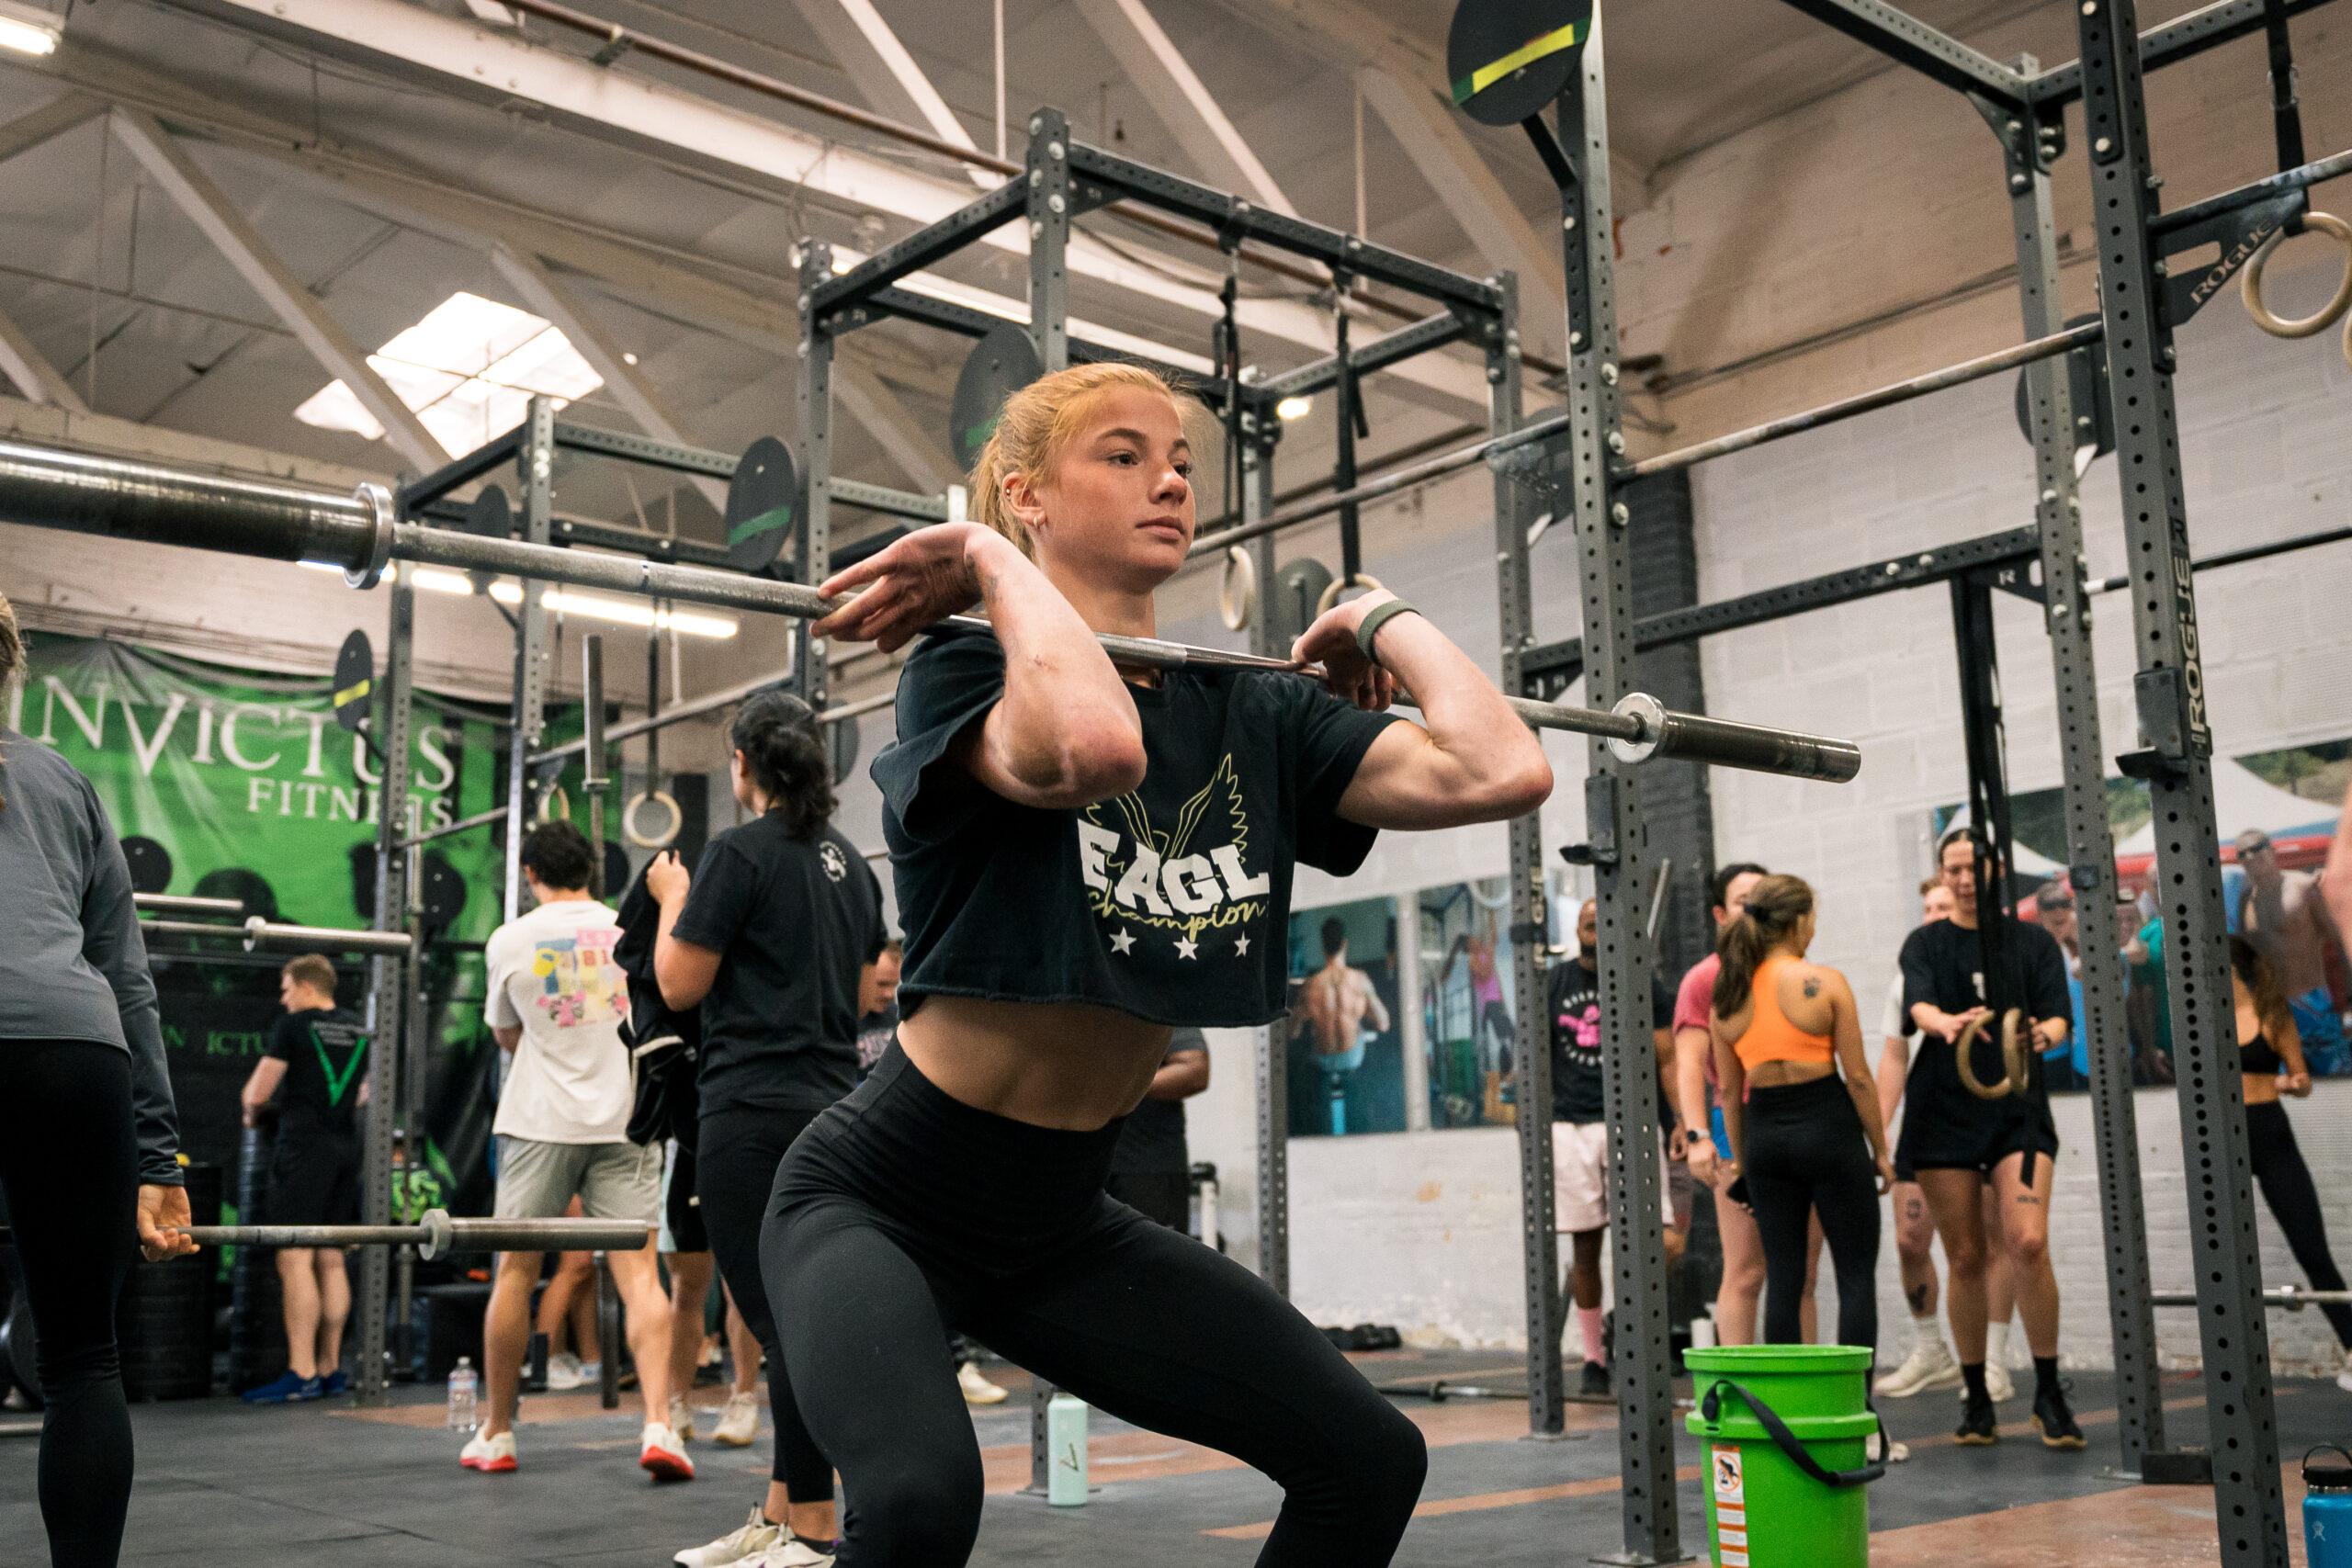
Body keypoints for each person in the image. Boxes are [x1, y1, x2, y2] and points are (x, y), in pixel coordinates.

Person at [761, 359, 1550, 1565]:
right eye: (1123, 455)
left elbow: (1503, 768)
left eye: (1179, 459)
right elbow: (1096, 747)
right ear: (1027, 494)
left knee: (1368, 1458)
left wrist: (1378, 616)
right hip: (876, 1196)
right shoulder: (963, 669)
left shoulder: (1253, 709)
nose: (1172, 480)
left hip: (1060, 1221)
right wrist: (990, 566)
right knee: (920, 1500)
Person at [650, 690, 886, 1568]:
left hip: (750, 1110)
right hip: (834, 1110)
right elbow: (863, 992)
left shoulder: (734, 853)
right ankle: (784, 1514)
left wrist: (672, 898)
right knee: (795, 1315)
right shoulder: (852, 864)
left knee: (784, 1324)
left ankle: (815, 1529)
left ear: (743, 763)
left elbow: (678, 984)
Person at [0, 587, 198, 1568]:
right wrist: (158, 1157)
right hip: (76, 1058)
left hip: (63, 1051)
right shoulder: (64, 780)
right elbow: (127, 977)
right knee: (82, 1358)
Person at [468, 820, 685, 1481]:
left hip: (540, 1122)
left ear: (531, 874)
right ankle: (661, 1425)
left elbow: (506, 1036)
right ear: (591, 869)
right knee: (641, 1276)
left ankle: (497, 1432)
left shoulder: (510, 939)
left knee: (515, 1273)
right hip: (626, 1119)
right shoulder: (629, 928)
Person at [1898, 828, 2081, 1450]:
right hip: (1944, 1112)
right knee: (1966, 1256)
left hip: (2016, 1112)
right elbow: (1918, 1007)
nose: (1963, 879)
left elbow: (2059, 1017)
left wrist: (2042, 1034)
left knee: (2027, 1240)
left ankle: (2049, 1391)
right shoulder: (1925, 943)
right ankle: (1976, 1394)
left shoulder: (2031, 942)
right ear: (1942, 874)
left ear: (1995, 868)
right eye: (1952, 869)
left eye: (1972, 867)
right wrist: (1944, 1022)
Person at [1711, 874, 1892, 1359]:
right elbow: (1858, 1078)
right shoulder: (1825, 982)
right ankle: (1856, 1403)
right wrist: (1881, 1150)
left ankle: (1786, 1402)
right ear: (1798, 923)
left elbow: (1728, 1092)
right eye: (1812, 918)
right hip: (1829, 1128)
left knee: (1784, 1278)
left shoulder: (1727, 998)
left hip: (1766, 1137)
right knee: (1855, 1276)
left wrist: (1743, 1163)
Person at [1675, 863, 1822, 1346]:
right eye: (1744, 902)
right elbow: (1689, 1063)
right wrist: (1698, 1136)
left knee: (1801, 1273)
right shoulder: (1705, 978)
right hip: (1737, 1125)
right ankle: (1737, 1385)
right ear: (1721, 914)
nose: (1756, 910)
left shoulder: (1795, 972)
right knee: (1747, 1270)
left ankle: (1803, 1386)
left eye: (1764, 899)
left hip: (1800, 1120)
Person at [1545, 897, 1675, 1397]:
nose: (1592, 921)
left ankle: (1626, 1325)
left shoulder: (1641, 981)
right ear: (1578, 928)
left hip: (1633, 1125)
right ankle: (1594, 1360)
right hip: (1571, 1127)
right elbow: (1534, 1058)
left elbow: (1666, 1060)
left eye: (1601, 916)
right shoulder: (1554, 983)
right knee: (1585, 1248)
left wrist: (1680, 1123)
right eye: (1586, 918)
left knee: (1654, 1243)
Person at [237, 954, 368, 1403]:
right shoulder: (359, 1029)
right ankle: (330, 1369)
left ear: (308, 987)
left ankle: (302, 1371)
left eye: (287, 988)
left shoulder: (292, 1027)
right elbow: (365, 1092)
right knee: (331, 1258)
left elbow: (256, 1094)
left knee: (294, 1257)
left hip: (304, 1150)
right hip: (346, 1148)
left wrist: (253, 1113)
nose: (283, 997)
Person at [2229, 936, 2352, 1391]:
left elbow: (2303, 1080)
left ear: (2235, 970)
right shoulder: (2204, 1021)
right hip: (2222, 1140)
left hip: (2269, 1132)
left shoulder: (2272, 1014)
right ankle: (2233, 1361)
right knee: (2223, 1257)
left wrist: (2289, 1083)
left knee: (2312, 1250)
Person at [1875, 878, 1962, 1397]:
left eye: (1943, 906)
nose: (1933, 915)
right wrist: (1877, 1133)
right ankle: (1932, 1349)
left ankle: (1989, 1361)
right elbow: (1893, 1057)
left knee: (1980, 1245)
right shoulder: (1909, 977)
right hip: (1925, 1123)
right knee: (1910, 1239)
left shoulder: (1985, 970)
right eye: (1927, 907)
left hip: (1981, 1125)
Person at [2236, 829, 2350, 1076]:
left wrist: (2348, 998)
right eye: (2242, 854)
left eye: (2256, 848)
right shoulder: (2246, 900)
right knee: (2282, 1083)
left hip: (2314, 1002)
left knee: (2335, 1078)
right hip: (2274, 1008)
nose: (2250, 856)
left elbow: (2338, 941)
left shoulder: (2304, 887)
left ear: (2272, 850)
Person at [1107, 1027, 1210, 1232]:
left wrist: (1111, 1086)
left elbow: (1194, 1069)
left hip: (1146, 1169)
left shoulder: (1156, 1006)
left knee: (1147, 1251)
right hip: (1082, 1169)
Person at [1296, 918, 1390, 1133]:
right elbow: (1384, 1023)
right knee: (1360, 1030)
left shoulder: (1311, 985)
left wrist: (1305, 1015)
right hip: (1351, 1058)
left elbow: (1293, 1032)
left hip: (1322, 1061)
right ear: (1345, 944)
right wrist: (1360, 1012)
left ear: (1322, 948)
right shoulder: (1359, 980)